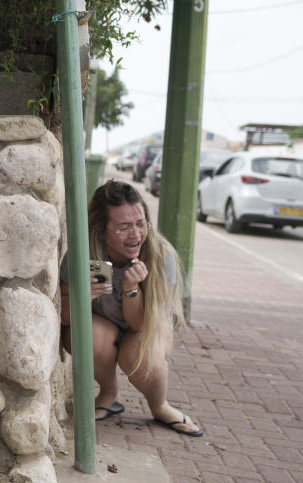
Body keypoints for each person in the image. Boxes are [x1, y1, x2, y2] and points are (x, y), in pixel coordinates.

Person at [60, 179, 202, 437]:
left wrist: (131, 288)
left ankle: (159, 405)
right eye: (124, 227)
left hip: (145, 328)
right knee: (87, 336)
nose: (136, 235)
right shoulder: (85, 255)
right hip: (104, 326)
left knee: (137, 354)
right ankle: (108, 392)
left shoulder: (161, 257)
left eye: (140, 223)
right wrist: (83, 298)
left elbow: (140, 326)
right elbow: (62, 317)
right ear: (102, 230)